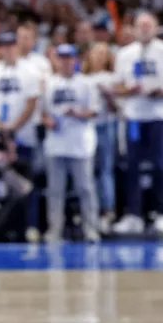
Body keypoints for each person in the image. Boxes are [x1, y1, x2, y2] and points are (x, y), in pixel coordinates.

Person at [0, 29, 41, 242]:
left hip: (23, 136)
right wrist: (0, 126)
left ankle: (30, 226)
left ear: (17, 47)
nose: (7, 50)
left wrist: (14, 126)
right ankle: (1, 228)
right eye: (3, 46)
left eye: (11, 45)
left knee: (26, 184)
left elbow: (32, 103)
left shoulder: (30, 71)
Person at [42, 44, 99, 243]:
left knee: (85, 188)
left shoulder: (86, 83)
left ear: (75, 60)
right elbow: (43, 112)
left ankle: (91, 230)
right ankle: (54, 230)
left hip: (80, 144)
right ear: (56, 60)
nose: (66, 62)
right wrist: (48, 121)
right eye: (62, 58)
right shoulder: (49, 83)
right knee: (55, 191)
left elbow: (94, 111)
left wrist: (77, 113)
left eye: (69, 58)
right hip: (56, 144)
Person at [113, 12, 163, 236]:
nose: (144, 29)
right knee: (132, 165)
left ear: (156, 28)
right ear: (133, 29)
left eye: (148, 26)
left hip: (158, 116)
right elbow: (117, 87)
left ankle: (160, 213)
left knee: (160, 165)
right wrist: (129, 90)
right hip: (133, 116)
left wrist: (158, 92)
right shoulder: (124, 54)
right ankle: (134, 215)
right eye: (140, 26)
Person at [82, 42, 118, 232]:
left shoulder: (112, 78)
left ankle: (108, 211)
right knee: (89, 172)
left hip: (106, 126)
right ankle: (91, 211)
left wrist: (109, 96)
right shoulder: (83, 78)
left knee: (106, 170)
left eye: (104, 53)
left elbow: (117, 109)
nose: (99, 57)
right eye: (96, 53)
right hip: (86, 128)